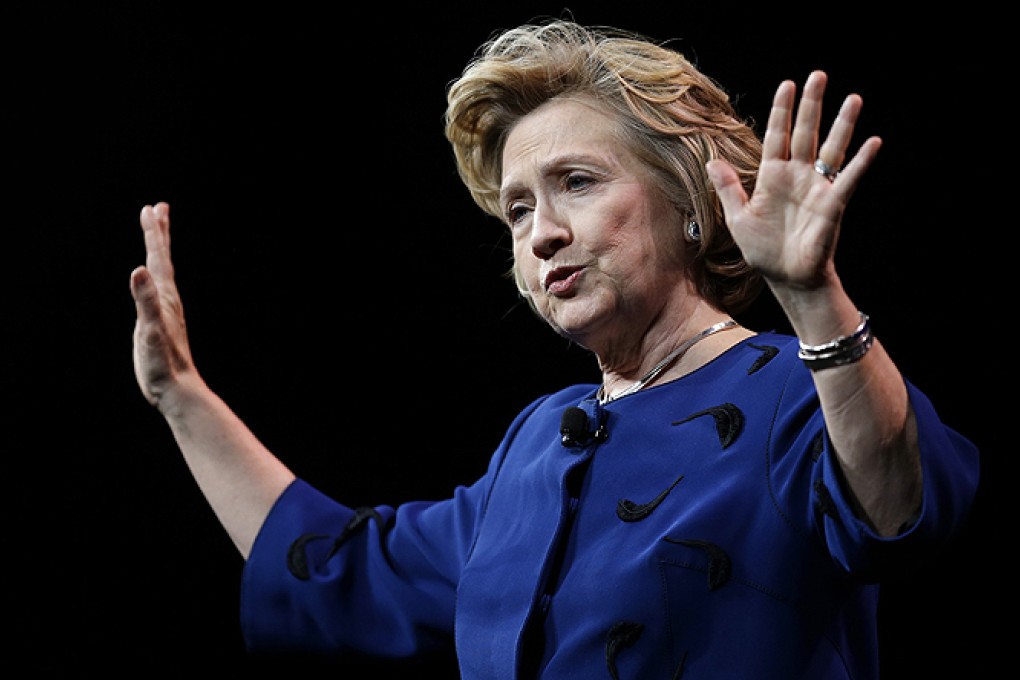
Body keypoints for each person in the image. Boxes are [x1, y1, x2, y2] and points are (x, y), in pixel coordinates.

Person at [129, 19, 979, 679]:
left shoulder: (791, 390)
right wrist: (181, 396)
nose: (541, 235)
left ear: (689, 201)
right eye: (519, 210)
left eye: (577, 182)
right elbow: (343, 573)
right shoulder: (536, 446)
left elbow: (900, 505)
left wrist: (812, 298)